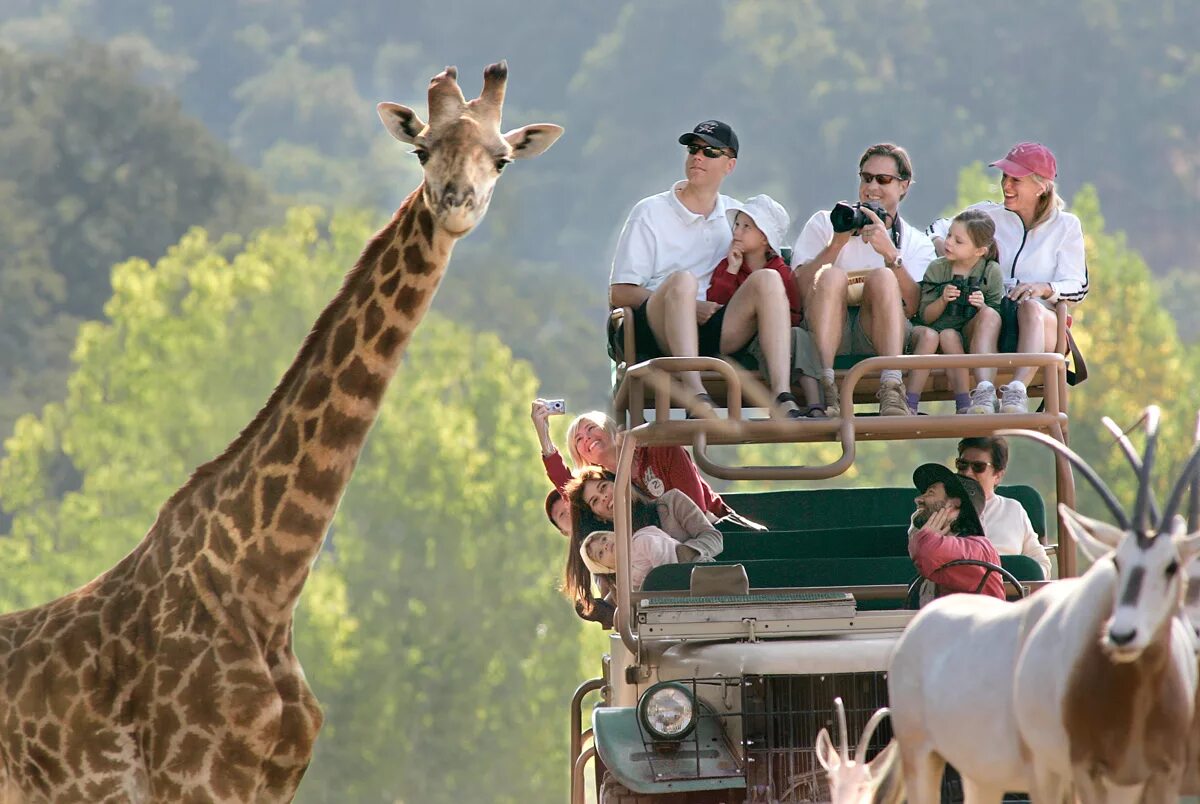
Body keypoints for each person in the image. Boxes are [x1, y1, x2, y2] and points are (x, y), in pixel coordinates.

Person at [608, 121, 799, 418]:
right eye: (693, 149)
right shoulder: (650, 211)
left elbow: (769, 263)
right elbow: (619, 293)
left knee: (769, 279)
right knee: (682, 282)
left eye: (710, 151)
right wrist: (688, 305)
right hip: (659, 324)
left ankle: (782, 395)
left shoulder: (737, 216)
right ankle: (697, 395)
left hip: (715, 325)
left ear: (730, 165)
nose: (698, 157)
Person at [927, 142, 1088, 414]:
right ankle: (985, 393)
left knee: (1031, 308)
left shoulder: (1066, 226)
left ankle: (1016, 391)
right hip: (992, 314)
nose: (1006, 186)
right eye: (1005, 177)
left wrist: (1044, 288)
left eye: (1016, 180)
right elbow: (936, 228)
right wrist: (950, 250)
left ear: (1041, 186)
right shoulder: (988, 215)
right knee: (988, 313)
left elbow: (1078, 287)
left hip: (1040, 323)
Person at [791, 143, 936, 417]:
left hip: (881, 333)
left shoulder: (915, 241)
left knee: (882, 277)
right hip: (826, 331)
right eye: (866, 177)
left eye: (883, 180)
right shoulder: (826, 222)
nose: (872, 187)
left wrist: (891, 255)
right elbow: (798, 291)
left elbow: (916, 307)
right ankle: (827, 385)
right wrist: (835, 246)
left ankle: (892, 388)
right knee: (832, 276)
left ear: (903, 186)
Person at [562, 467, 723, 625]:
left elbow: (713, 538)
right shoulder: (611, 551)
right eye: (595, 501)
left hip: (701, 589)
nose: (603, 497)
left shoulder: (672, 502)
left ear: (618, 482)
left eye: (603, 487)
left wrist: (682, 554)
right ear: (600, 517)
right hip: (662, 619)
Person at [706, 195, 820, 416]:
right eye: (737, 225)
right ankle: (783, 398)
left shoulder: (781, 271)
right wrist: (731, 270)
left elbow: (794, 313)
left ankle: (816, 404)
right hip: (735, 338)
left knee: (799, 336)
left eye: (746, 227)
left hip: (773, 337)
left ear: (764, 238)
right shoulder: (728, 265)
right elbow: (716, 305)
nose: (737, 232)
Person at [532, 402, 732, 519]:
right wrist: (544, 435)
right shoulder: (605, 486)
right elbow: (571, 490)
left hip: (714, 528)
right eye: (579, 440)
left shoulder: (659, 449)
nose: (587, 438)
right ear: (582, 456)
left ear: (609, 429)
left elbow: (695, 508)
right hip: (667, 552)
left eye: (591, 428)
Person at [906, 210, 1004, 414]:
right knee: (943, 335)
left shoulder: (990, 271)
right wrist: (942, 299)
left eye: (958, 241)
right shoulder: (937, 268)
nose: (948, 243)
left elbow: (996, 315)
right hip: (934, 333)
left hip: (969, 335)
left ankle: (972, 399)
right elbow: (925, 316)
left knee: (959, 331)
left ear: (979, 251)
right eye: (949, 235)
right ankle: (910, 403)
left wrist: (982, 305)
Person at [952, 437, 1052, 578]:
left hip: (1009, 596)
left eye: (978, 467)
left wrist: (1022, 580)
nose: (967, 472)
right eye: (962, 464)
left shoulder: (1014, 510)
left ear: (998, 475)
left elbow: (1040, 563)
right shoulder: (938, 507)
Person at [908, 463, 1005, 600]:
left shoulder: (981, 549)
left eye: (931, 493)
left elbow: (929, 552)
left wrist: (925, 537)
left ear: (954, 504)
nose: (918, 499)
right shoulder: (931, 551)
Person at [580, 526, 679, 592]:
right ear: (607, 569)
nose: (605, 546)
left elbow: (666, 561)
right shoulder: (626, 582)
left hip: (683, 571)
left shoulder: (639, 542)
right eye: (601, 553)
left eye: (604, 539)